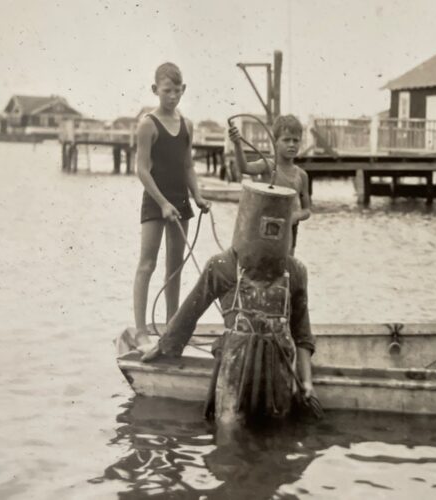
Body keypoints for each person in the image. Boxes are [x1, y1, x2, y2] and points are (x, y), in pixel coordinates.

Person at [140, 181, 316, 428]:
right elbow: (190, 311)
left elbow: (302, 332)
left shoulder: (295, 271)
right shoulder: (222, 265)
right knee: (230, 435)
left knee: (276, 434)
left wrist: (306, 381)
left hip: (278, 370)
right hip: (235, 367)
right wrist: (165, 346)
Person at [133, 62, 210, 346]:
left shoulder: (187, 124)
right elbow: (141, 169)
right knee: (147, 264)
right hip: (156, 201)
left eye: (178, 91)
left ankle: (172, 329)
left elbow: (188, 165)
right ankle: (141, 331)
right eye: (167, 91)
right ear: (156, 90)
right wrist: (163, 203)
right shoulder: (147, 124)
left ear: (184, 90)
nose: (173, 97)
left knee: (175, 267)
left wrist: (198, 195)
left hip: (180, 200)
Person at [228, 114, 311, 253]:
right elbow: (245, 168)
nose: (291, 144)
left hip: (289, 231)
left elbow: (307, 210)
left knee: (285, 265)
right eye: (286, 140)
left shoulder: (302, 175)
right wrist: (237, 144)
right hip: (264, 228)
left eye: (296, 141)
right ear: (275, 141)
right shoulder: (267, 165)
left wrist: (296, 216)